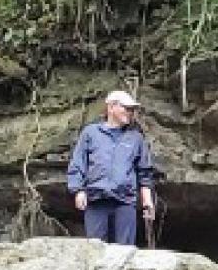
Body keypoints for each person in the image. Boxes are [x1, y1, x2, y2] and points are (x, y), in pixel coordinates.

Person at [65, 89, 159, 247]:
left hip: (125, 201)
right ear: (111, 107)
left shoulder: (136, 138)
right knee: (94, 249)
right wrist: (78, 190)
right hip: (96, 200)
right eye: (126, 108)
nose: (130, 112)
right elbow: (78, 163)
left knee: (125, 250)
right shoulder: (91, 133)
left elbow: (144, 173)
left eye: (132, 110)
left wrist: (147, 201)